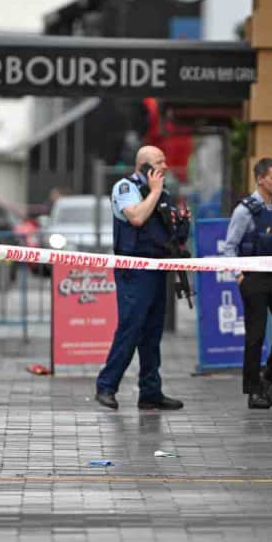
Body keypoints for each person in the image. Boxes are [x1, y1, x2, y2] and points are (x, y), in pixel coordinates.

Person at [95, 145, 185, 412]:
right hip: (133, 269)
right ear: (145, 166)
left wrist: (181, 225)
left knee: (152, 332)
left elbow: (165, 231)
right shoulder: (126, 188)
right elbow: (136, 217)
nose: (166, 166)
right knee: (131, 328)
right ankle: (106, 385)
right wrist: (155, 191)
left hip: (156, 267)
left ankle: (150, 392)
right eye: (160, 162)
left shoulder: (161, 192)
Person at [223, 157, 272, 409]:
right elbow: (230, 247)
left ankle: (268, 376)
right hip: (255, 278)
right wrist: (239, 277)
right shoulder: (244, 210)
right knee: (255, 337)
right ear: (260, 179)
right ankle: (253, 391)